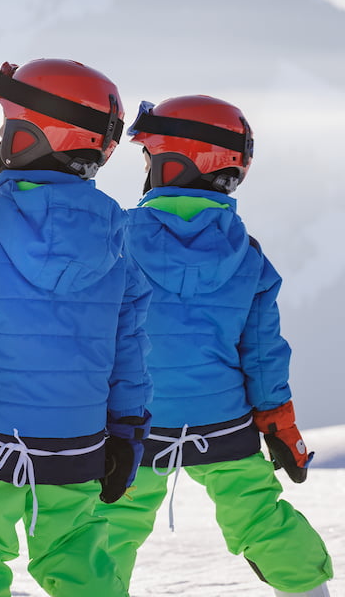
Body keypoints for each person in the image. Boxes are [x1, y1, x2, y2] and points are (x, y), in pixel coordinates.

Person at [0, 58, 153, 597]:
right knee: (78, 554)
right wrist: (129, 429)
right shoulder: (120, 240)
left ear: (32, 135)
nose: (0, 137)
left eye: (8, 125)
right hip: (77, 444)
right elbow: (129, 347)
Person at [93, 94, 334, 597]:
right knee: (259, 517)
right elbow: (264, 354)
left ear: (172, 162)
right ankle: (309, 591)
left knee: (106, 533)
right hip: (224, 425)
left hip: (137, 429)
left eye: (149, 158)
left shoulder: (116, 238)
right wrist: (280, 425)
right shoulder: (247, 254)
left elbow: (93, 334)